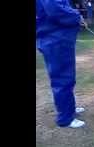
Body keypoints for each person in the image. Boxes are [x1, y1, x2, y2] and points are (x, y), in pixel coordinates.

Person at [36, 0, 88, 128]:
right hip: (55, 40)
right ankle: (65, 118)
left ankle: (70, 109)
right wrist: (77, 16)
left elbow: (62, 7)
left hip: (59, 39)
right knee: (62, 79)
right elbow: (56, 11)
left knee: (68, 78)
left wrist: (76, 16)